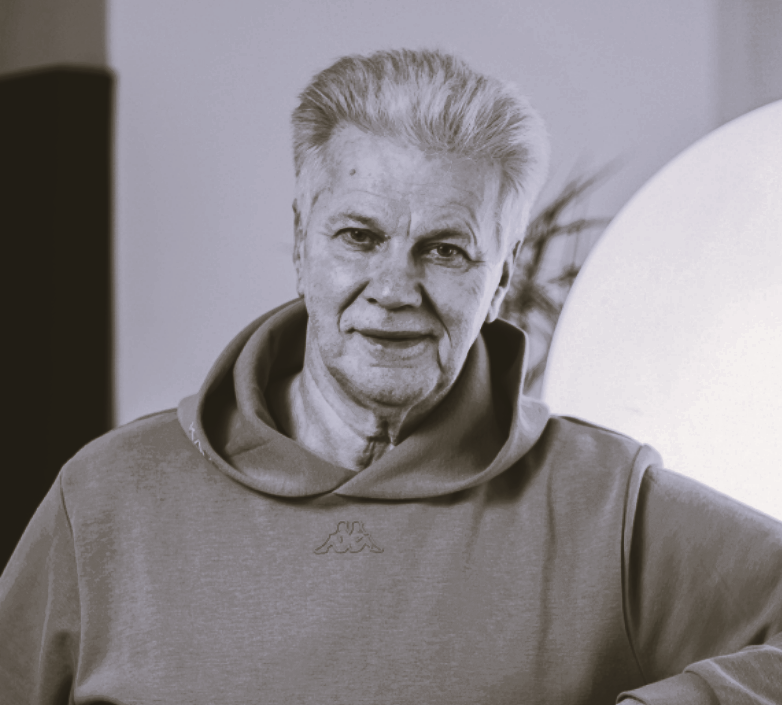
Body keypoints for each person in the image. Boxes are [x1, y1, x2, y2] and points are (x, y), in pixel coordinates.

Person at [1, 48, 780, 705]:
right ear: (301, 239)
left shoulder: (605, 503)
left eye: (446, 250)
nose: (395, 289)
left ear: (501, 276)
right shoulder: (105, 497)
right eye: (360, 236)